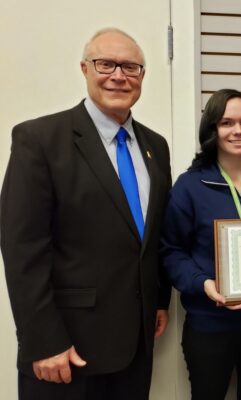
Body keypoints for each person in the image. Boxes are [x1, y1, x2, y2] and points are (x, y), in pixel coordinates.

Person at [0, 28, 172, 400]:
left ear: (142, 76)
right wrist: (42, 340)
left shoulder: (155, 147)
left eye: (130, 67)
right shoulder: (40, 140)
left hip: (136, 346)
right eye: (105, 64)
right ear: (84, 69)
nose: (118, 75)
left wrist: (158, 301)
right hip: (66, 350)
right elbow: (22, 249)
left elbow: (152, 237)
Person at [160, 89, 241, 400]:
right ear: (212, 130)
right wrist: (204, 283)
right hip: (210, 323)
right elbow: (171, 252)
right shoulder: (190, 186)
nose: (238, 131)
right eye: (227, 123)